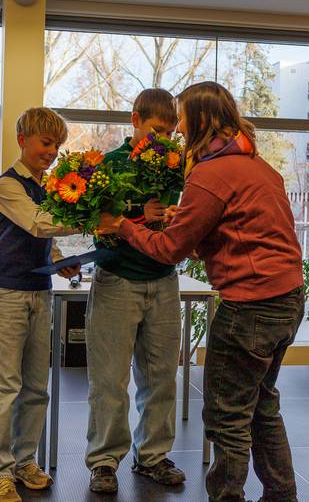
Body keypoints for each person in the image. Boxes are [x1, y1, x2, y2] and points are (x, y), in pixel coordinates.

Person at [98, 81, 305, 502]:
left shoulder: (210, 174)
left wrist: (123, 225)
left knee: (226, 418)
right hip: (288, 300)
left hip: (249, 307)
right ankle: (282, 495)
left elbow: (171, 250)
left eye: (181, 119)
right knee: (263, 405)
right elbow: (239, 230)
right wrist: (185, 220)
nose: (177, 130)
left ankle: (226, 496)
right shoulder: (260, 167)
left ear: (200, 120)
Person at [85, 88, 186, 494]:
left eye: (170, 132)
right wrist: (133, 214)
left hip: (163, 280)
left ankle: (154, 457)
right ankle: (105, 461)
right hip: (116, 280)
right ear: (135, 120)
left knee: (161, 377)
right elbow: (93, 221)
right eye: (156, 129)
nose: (162, 139)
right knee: (109, 380)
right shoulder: (107, 165)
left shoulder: (176, 169)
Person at [0, 107, 81, 502]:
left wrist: (59, 261)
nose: (52, 152)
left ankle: (24, 462)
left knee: (36, 388)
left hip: (41, 292)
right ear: (22, 139)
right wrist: (92, 221)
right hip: (5, 295)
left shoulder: (46, 187)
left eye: (57, 145)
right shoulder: (6, 185)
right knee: (2, 388)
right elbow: (37, 223)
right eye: (45, 142)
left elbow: (43, 235)